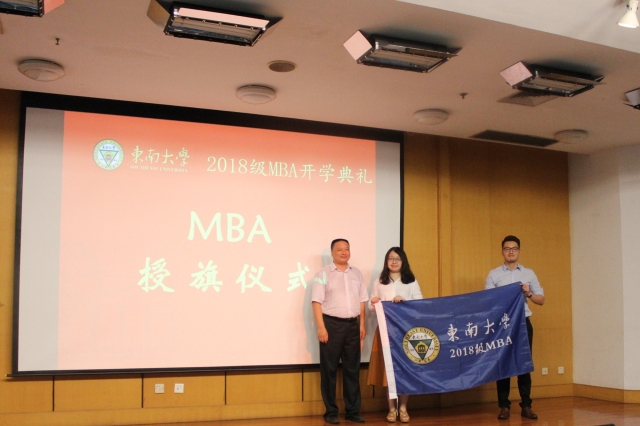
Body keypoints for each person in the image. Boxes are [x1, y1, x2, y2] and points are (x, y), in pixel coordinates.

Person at [485, 235, 545, 421]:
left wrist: (529, 293)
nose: (511, 251)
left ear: (519, 251)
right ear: (502, 251)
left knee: (523, 364)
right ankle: (504, 406)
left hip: (523, 323)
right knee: (503, 364)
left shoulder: (529, 274)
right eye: (507, 248)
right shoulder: (494, 274)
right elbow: (487, 301)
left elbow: (541, 299)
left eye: (514, 248)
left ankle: (526, 405)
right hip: (503, 325)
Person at [312, 239, 368, 424]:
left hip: (353, 325)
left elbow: (362, 301)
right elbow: (316, 302)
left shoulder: (357, 273)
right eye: (339, 249)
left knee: (352, 369)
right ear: (332, 252)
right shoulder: (322, 274)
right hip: (331, 325)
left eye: (347, 249)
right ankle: (331, 412)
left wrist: (361, 325)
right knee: (329, 370)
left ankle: (353, 411)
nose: (344, 252)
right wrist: (321, 327)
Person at [367, 247, 422, 423]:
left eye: (397, 258)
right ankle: (391, 409)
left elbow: (420, 303)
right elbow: (370, 305)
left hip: (405, 332)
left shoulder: (410, 281)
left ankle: (403, 408)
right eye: (391, 258)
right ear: (386, 261)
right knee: (387, 371)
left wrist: (404, 302)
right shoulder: (379, 281)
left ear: (403, 261)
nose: (394, 261)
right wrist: (373, 302)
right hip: (385, 331)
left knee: (405, 370)